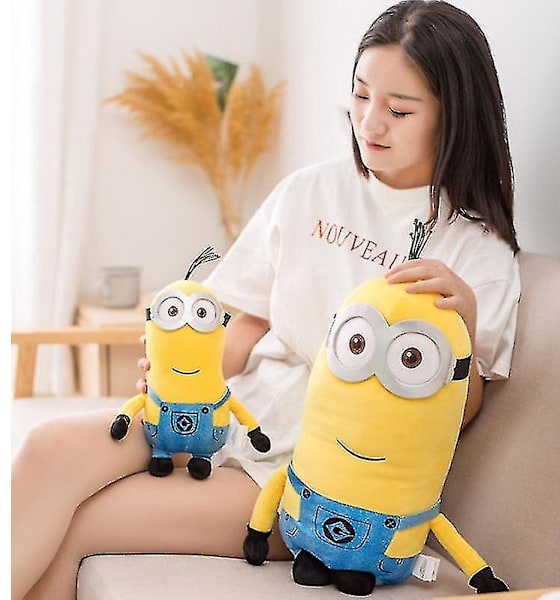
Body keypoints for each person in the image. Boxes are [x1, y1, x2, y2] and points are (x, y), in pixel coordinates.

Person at [11, 2, 521, 598]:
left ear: (453, 115)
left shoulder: (477, 252)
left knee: (85, 524)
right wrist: (186, 373)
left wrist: (465, 325)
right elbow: (249, 322)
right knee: (47, 450)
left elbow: (458, 413)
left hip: (307, 484)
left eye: (399, 110)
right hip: (225, 419)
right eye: (360, 96)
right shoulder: (310, 191)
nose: (370, 123)